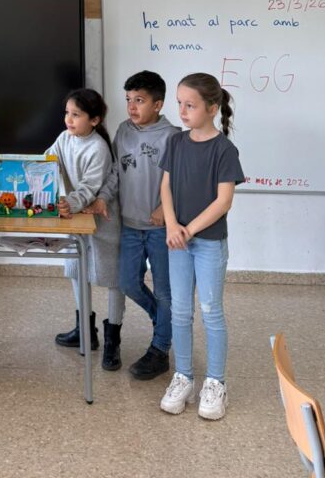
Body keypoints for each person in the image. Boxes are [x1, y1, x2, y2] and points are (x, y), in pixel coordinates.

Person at [159, 73, 245, 421]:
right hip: (177, 241)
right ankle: (183, 376)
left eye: (190, 105)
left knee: (211, 311)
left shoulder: (224, 149)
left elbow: (223, 201)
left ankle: (215, 382)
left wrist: (188, 230)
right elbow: (165, 187)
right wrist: (171, 225)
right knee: (180, 311)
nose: (182, 111)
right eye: (179, 104)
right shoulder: (175, 143)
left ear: (212, 108)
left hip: (207, 243)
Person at [46, 88, 125, 371]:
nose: (68, 119)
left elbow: (89, 188)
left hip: (102, 221)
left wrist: (68, 203)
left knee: (112, 278)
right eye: (67, 113)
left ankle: (113, 339)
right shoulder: (64, 138)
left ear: (94, 120)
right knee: (77, 270)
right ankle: (85, 331)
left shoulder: (98, 148)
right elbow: (46, 162)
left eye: (76, 115)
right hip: (75, 218)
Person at [114, 70, 180, 381]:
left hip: (160, 228)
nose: (132, 106)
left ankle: (160, 348)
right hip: (129, 224)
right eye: (129, 99)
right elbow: (114, 173)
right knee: (128, 283)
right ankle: (164, 321)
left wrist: (165, 209)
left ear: (158, 104)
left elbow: (182, 180)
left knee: (165, 291)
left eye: (139, 100)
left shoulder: (173, 136)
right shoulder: (122, 131)